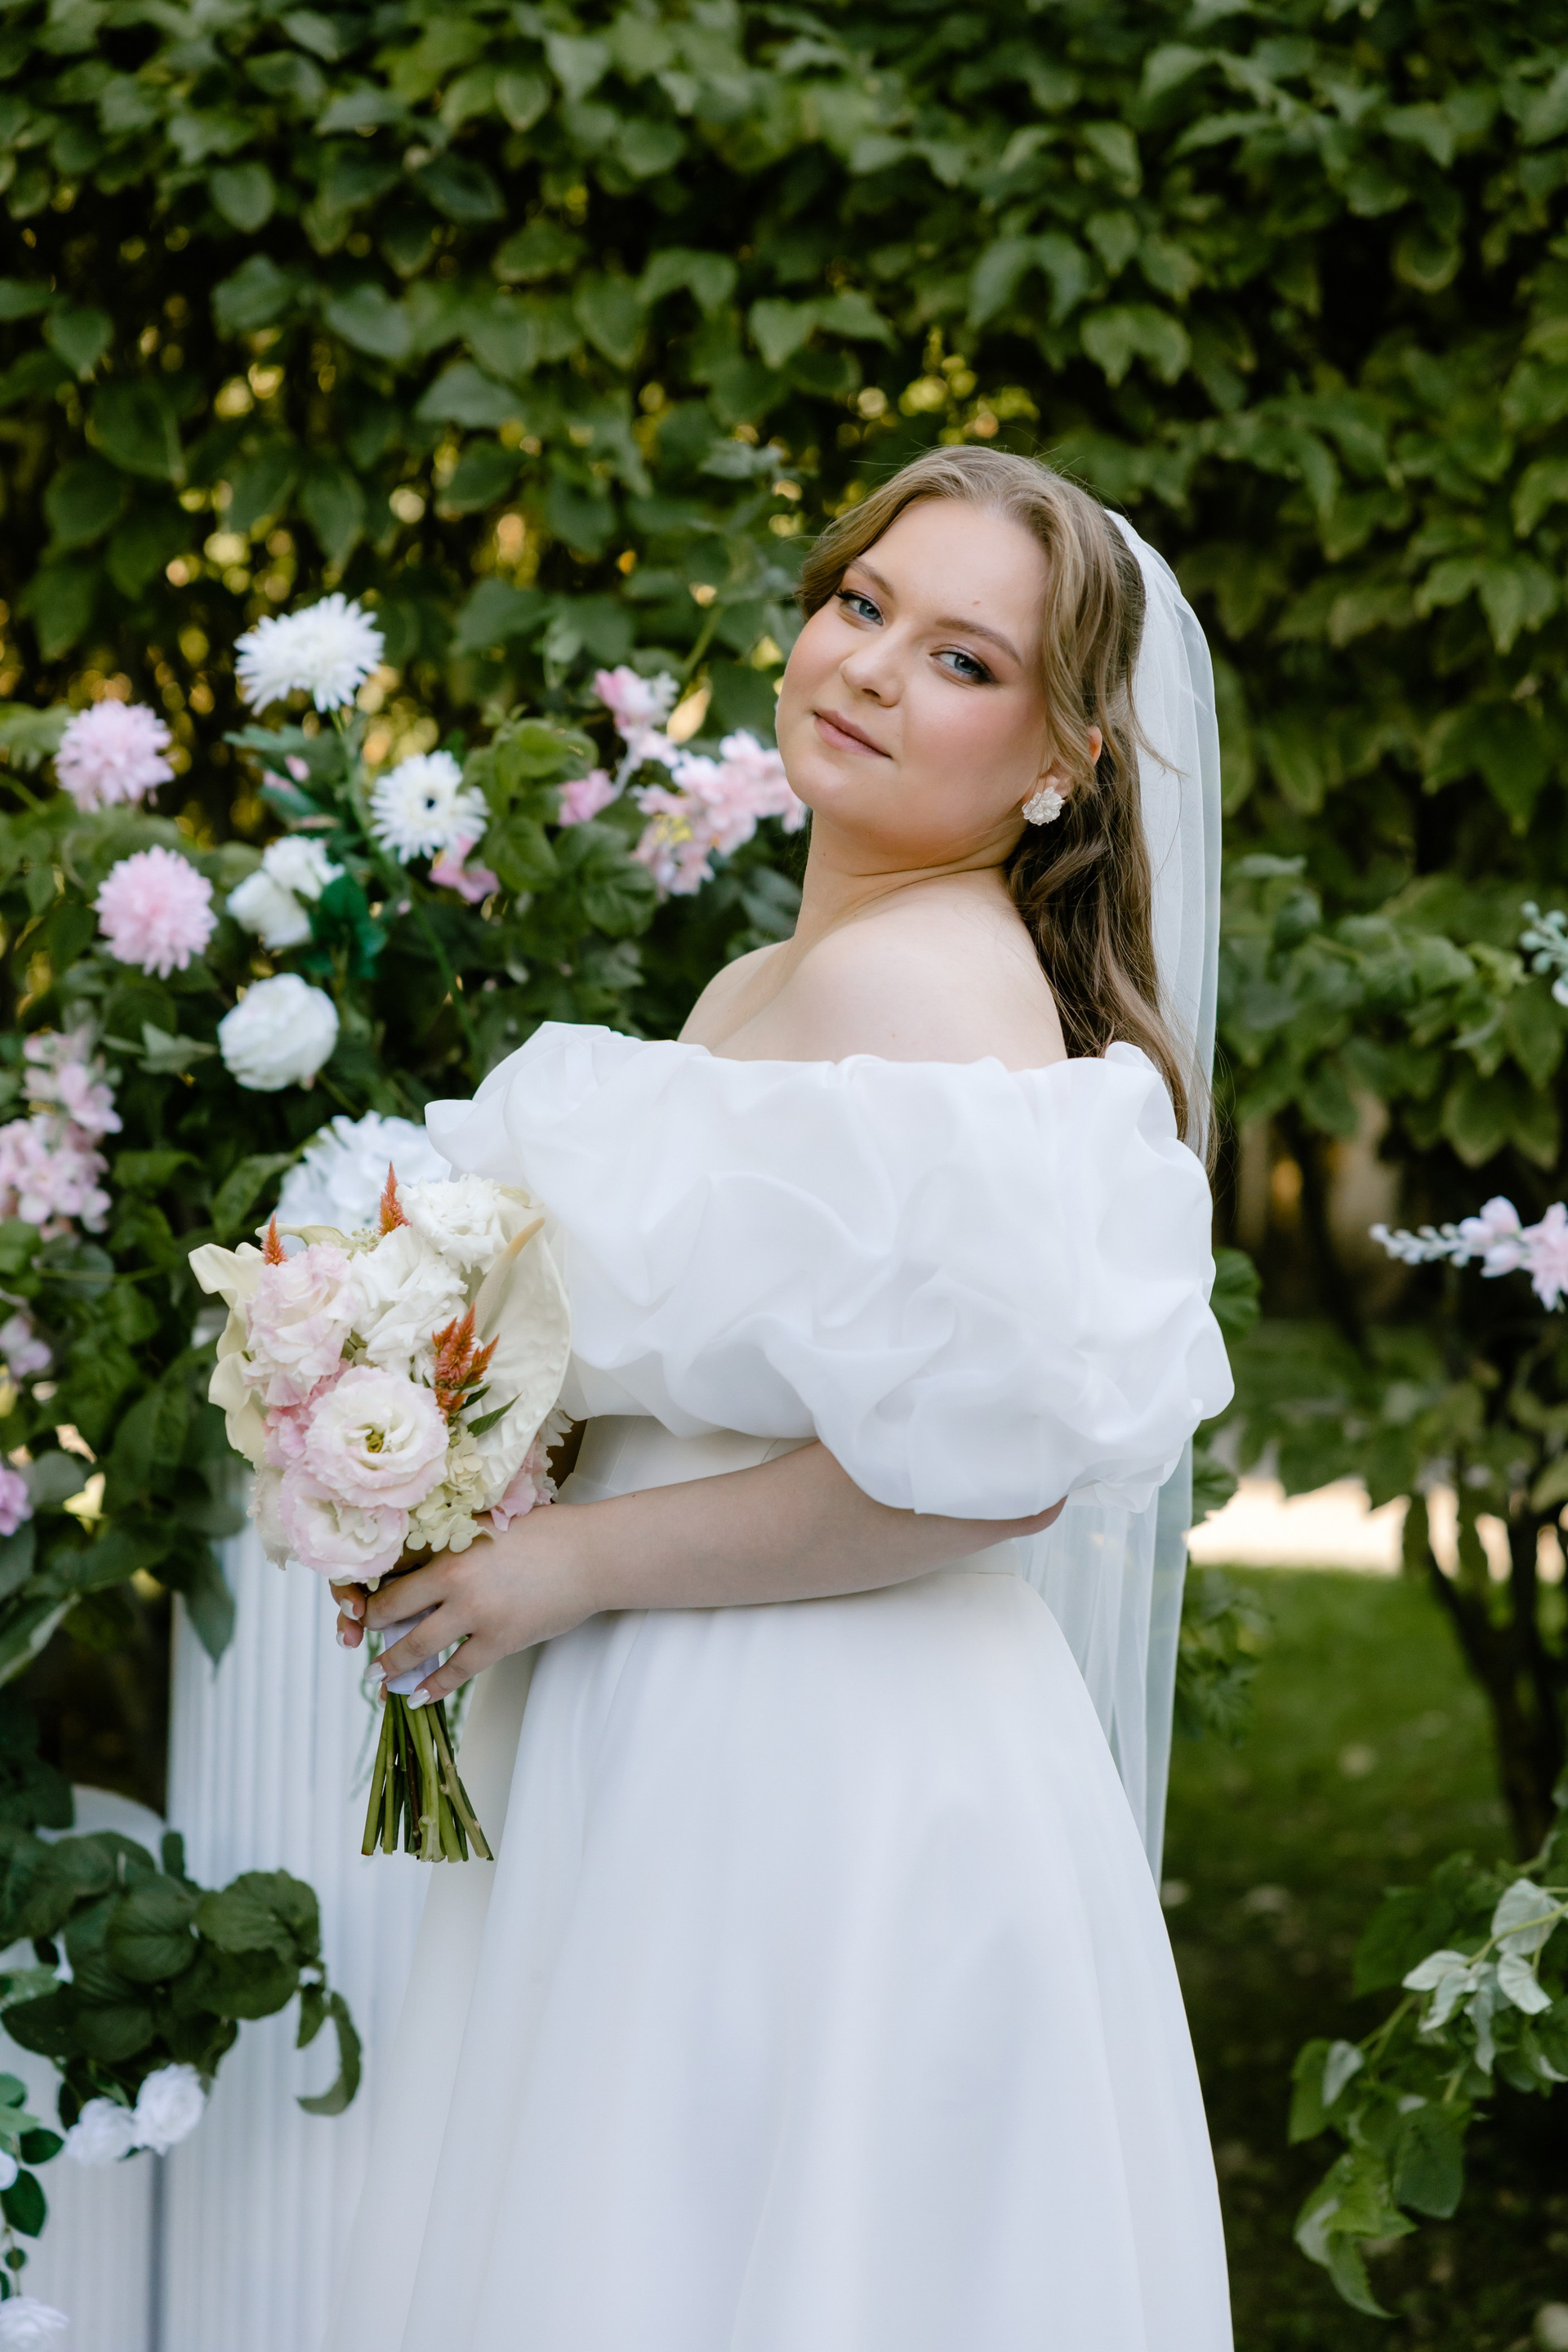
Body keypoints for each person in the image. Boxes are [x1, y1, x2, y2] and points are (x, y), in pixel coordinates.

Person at [326, 448, 1235, 2351]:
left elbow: (984, 1478)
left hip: (815, 1757)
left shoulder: (926, 994)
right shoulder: (776, 973)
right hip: (675, 1710)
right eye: (862, 603)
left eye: (966, 660)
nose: (876, 665)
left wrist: (563, 1563)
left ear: (1065, 760)